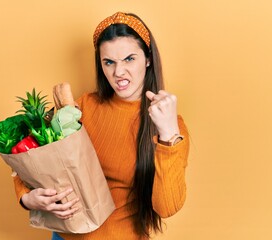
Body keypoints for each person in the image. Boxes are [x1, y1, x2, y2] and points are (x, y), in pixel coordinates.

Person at [13, 12, 190, 240]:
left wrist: (168, 134)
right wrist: (27, 198)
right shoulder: (83, 106)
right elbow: (29, 157)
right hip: (65, 236)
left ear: (148, 60)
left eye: (129, 59)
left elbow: (167, 207)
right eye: (109, 62)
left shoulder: (168, 122)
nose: (118, 72)